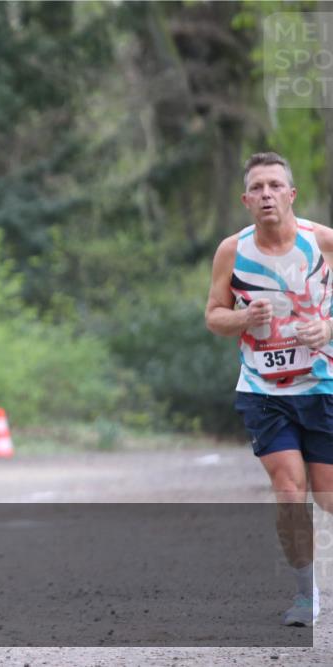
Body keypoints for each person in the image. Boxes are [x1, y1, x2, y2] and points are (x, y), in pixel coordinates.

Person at [205, 151, 333, 627]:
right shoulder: (232, 251)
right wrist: (242, 318)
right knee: (288, 488)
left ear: (291, 194)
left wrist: (328, 328)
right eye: (257, 188)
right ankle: (306, 595)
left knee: (326, 496)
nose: (266, 195)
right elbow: (213, 315)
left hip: (322, 386)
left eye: (275, 186)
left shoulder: (322, 242)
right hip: (264, 391)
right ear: (245, 200)